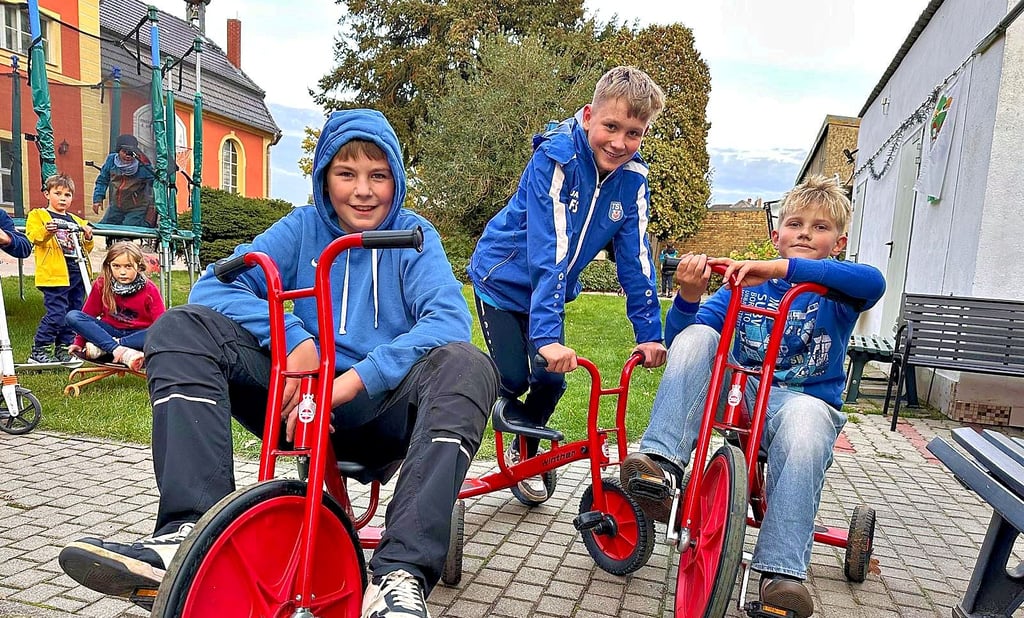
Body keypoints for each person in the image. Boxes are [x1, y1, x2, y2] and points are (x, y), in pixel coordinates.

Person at [58, 109, 498, 618]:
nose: (363, 190)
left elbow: (447, 321)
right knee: (180, 326)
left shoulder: (413, 235)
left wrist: (354, 379)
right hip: (300, 401)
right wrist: (294, 339)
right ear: (324, 178)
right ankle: (188, 536)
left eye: (378, 175)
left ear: (395, 179)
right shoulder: (303, 228)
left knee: (468, 364)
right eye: (346, 174)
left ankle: (397, 577)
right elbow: (215, 285)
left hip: (384, 411)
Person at [620, 175, 885, 618]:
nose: (804, 233)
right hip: (735, 397)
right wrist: (688, 294)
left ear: (838, 243)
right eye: (795, 223)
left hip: (794, 406)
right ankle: (661, 466)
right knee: (701, 335)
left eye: (819, 228)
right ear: (774, 234)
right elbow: (683, 342)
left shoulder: (841, 294)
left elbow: (872, 281)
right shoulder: (742, 288)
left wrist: (778, 269)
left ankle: (780, 574)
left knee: (807, 422)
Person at [467, 65, 668, 502]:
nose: (619, 143)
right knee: (514, 374)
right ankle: (467, 428)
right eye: (611, 126)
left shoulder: (632, 180)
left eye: (633, 133)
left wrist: (650, 335)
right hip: (502, 281)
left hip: (547, 291)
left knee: (553, 380)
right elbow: (549, 251)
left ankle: (526, 450)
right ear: (588, 115)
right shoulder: (556, 157)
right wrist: (545, 337)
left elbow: (635, 262)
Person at [25, 174, 94, 366]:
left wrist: (88, 237)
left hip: (76, 273)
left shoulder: (76, 220)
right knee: (57, 313)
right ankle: (39, 349)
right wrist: (48, 230)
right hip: (54, 275)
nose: (63, 198)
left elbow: (86, 248)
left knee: (73, 313)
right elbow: (35, 237)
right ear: (47, 194)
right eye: (58, 193)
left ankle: (65, 348)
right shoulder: (38, 215)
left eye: (68, 194)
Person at [66, 242, 164, 372]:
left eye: (128, 266)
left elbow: (162, 325)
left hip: (138, 335)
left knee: (159, 331)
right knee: (72, 316)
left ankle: (106, 347)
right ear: (109, 266)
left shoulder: (150, 289)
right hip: (109, 331)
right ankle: (117, 350)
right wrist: (79, 342)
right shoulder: (102, 284)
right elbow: (87, 315)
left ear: (139, 266)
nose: (122, 272)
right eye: (116, 266)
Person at [92, 134, 157, 229]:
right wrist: (98, 199)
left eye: (131, 152)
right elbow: (102, 180)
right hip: (116, 206)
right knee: (103, 227)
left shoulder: (143, 165)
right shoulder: (111, 160)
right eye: (124, 152)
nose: (128, 155)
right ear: (118, 151)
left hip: (136, 207)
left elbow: (155, 183)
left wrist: (153, 206)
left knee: (127, 229)